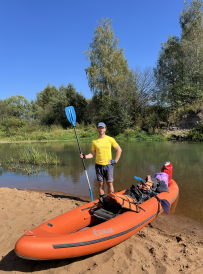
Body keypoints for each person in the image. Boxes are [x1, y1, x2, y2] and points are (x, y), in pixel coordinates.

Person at [80, 122, 122, 197]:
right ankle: (102, 200)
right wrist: (84, 156)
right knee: (101, 184)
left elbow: (119, 149)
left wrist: (115, 160)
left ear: (105, 129)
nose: (101, 129)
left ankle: (112, 199)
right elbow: (92, 154)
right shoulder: (94, 141)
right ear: (97, 129)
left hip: (109, 165)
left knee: (110, 183)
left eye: (102, 128)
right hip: (98, 166)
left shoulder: (110, 139)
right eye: (99, 128)